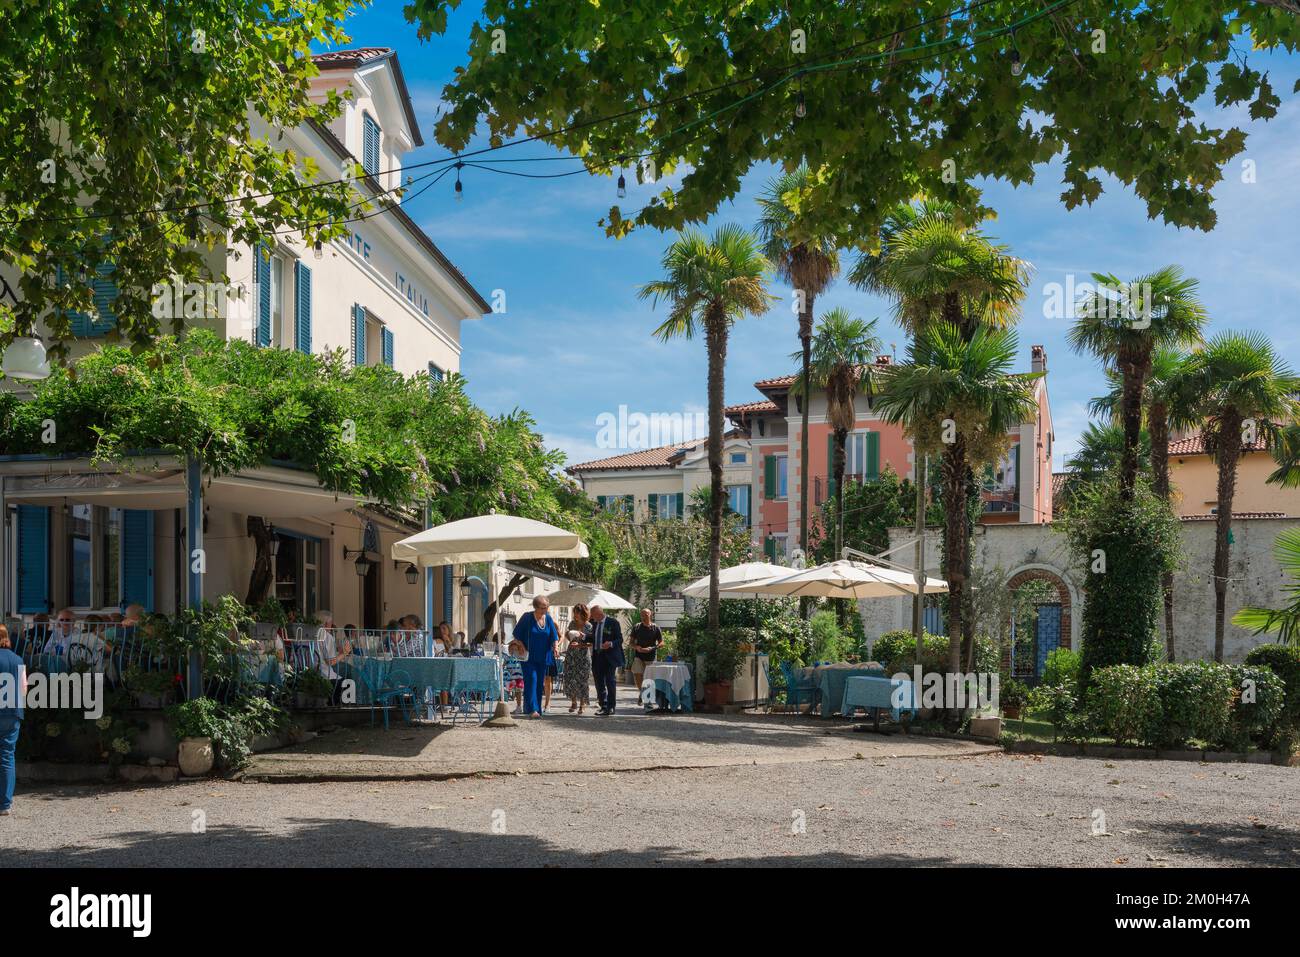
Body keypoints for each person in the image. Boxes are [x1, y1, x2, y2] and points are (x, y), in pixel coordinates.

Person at [511, 596, 559, 718]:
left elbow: (554, 636)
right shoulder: (527, 617)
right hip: (528, 657)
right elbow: (516, 634)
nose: (545, 610)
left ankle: (535, 708)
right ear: (536, 607)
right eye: (543, 608)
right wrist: (521, 645)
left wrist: (556, 647)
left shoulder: (547, 618)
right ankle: (533, 709)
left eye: (547, 607)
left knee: (539, 683)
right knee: (531, 679)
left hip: (543, 656)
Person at [0, 625, 26, 816]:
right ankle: (5, 804)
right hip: (12, 712)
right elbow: (23, 689)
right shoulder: (18, 659)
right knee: (7, 757)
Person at [588, 603, 624, 716]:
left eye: (592, 615)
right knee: (599, 683)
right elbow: (593, 638)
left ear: (599, 614)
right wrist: (583, 637)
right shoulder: (594, 623)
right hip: (597, 656)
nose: (591, 618)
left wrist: (611, 643)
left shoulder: (613, 622)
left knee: (610, 681)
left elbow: (620, 639)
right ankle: (603, 706)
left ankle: (611, 706)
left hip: (609, 657)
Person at [562, 604, 593, 715]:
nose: (575, 614)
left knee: (583, 680)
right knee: (571, 678)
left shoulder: (589, 626)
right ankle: (574, 702)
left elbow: (591, 643)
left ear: (583, 613)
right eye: (574, 612)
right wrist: (568, 635)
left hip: (584, 656)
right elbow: (567, 635)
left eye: (577, 612)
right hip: (571, 654)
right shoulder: (572, 623)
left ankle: (582, 704)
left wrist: (580, 645)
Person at [629, 608, 664, 704]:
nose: (644, 617)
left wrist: (652, 648)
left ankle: (647, 698)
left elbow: (661, 643)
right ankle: (642, 692)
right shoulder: (637, 627)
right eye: (642, 615)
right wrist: (637, 647)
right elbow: (631, 643)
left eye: (646, 614)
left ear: (650, 615)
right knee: (637, 674)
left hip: (651, 656)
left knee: (649, 678)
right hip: (639, 655)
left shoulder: (655, 627)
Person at [504, 639, 527, 716]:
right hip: (510, 678)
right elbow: (504, 665)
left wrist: (518, 644)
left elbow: (524, 656)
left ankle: (519, 706)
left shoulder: (519, 657)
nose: (513, 651)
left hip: (518, 677)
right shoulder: (507, 658)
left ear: (518, 650)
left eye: (515, 649)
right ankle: (505, 706)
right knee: (507, 692)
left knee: (518, 692)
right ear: (509, 650)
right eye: (511, 649)